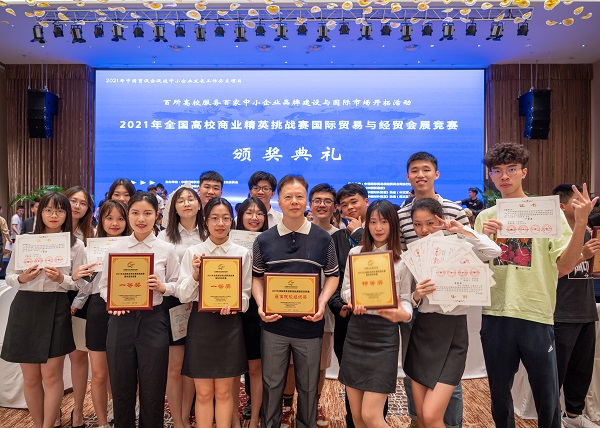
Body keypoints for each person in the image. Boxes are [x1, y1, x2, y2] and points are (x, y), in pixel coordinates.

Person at [474, 142, 597, 428]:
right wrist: (486, 242)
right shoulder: (485, 218)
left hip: (536, 312)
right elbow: (478, 270)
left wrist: (580, 224)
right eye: (497, 171)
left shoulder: (547, 212)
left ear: (524, 172)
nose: (504, 176)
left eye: (511, 169)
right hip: (496, 313)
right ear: (491, 175)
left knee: (547, 395)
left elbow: (564, 266)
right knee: (499, 394)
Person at [252, 175, 339, 428]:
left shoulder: (323, 238)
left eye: (299, 196)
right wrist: (261, 305)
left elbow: (333, 275)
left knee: (309, 387)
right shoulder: (263, 240)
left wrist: (321, 303)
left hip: (310, 325)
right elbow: (256, 278)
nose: (294, 201)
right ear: (278, 201)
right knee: (272, 385)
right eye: (288, 196)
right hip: (273, 325)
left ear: (306, 200)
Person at [404, 198, 500, 428]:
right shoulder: (413, 254)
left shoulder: (461, 247)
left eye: (430, 223)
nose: (424, 230)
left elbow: (493, 250)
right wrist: (416, 295)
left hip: (453, 332)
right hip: (422, 331)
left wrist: (462, 230)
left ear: (441, 220)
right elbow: (405, 299)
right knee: (422, 417)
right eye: (417, 224)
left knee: (431, 415)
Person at [1, 192, 87, 428]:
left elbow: (81, 283)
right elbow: (10, 276)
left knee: (51, 376)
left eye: (59, 210)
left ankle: (49, 425)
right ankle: (39, 424)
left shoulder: (75, 245)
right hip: (25, 307)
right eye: (48, 210)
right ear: (40, 212)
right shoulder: (26, 241)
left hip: (56, 307)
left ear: (67, 214)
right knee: (30, 378)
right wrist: (22, 278)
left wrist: (61, 278)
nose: (53, 215)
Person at [397, 151, 470, 428]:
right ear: (408, 176)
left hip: (448, 303)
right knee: (413, 366)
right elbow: (400, 255)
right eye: (415, 170)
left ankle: (449, 423)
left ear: (436, 174)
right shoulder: (400, 215)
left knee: (448, 373)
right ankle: (419, 420)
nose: (420, 175)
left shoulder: (454, 210)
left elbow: (468, 252)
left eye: (426, 169)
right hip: (415, 300)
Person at [98, 192, 180, 428]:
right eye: (135, 213)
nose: (141, 219)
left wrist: (162, 287)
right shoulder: (116, 248)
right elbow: (104, 286)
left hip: (153, 320)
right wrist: (113, 302)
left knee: (153, 387)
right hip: (120, 321)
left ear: (157, 215)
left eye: (147, 213)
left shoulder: (166, 249)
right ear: (128, 214)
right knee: (121, 386)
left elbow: (177, 284)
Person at [176, 197, 252, 428]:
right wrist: (195, 275)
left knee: (224, 392)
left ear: (232, 221)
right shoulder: (194, 252)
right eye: (215, 218)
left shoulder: (242, 253)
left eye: (226, 218)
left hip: (229, 325)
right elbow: (183, 295)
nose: (220, 223)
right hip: (202, 325)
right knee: (204, 393)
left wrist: (234, 303)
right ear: (205, 221)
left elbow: (246, 296)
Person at [338, 199, 414, 428]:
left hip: (384, 336)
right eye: (372, 222)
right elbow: (346, 289)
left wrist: (403, 313)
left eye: (383, 222)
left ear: (393, 224)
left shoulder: (403, 259)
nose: (378, 227)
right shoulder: (356, 253)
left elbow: (407, 299)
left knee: (371, 415)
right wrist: (353, 299)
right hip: (357, 332)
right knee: (358, 416)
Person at [157, 186, 207, 428]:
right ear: (173, 207)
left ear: (199, 204)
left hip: (202, 304)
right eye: (181, 200)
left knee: (193, 365)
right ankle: (178, 420)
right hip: (173, 303)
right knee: (175, 366)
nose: (186, 203)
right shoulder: (164, 237)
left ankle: (186, 415)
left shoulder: (209, 233)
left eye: (191, 199)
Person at [552, 184, 600, 428]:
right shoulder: (554, 235)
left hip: (586, 310)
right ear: (562, 207)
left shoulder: (590, 234)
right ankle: (552, 417)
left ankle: (574, 415)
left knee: (582, 370)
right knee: (555, 372)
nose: (584, 205)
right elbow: (554, 271)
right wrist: (582, 254)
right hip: (561, 312)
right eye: (577, 201)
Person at [82, 200, 131, 428]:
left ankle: (126, 414)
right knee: (99, 373)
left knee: (126, 370)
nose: (115, 223)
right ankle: (102, 422)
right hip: (98, 309)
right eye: (109, 218)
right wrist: (79, 275)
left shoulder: (135, 247)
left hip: (128, 307)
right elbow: (83, 285)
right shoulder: (89, 247)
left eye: (120, 218)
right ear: (100, 219)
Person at [328, 183, 370, 428]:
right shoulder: (336, 238)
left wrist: (359, 233)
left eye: (354, 202)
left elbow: (382, 263)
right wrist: (338, 306)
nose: (350, 208)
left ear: (366, 201)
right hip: (347, 318)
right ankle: (352, 422)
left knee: (374, 378)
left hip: (377, 319)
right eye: (344, 205)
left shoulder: (381, 232)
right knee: (350, 377)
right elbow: (332, 277)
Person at [233, 196, 269, 428]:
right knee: (232, 368)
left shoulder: (271, 242)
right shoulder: (226, 240)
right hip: (230, 309)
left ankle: (256, 414)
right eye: (249, 213)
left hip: (258, 310)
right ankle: (232, 416)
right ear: (240, 216)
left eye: (259, 213)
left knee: (256, 367)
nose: (254, 218)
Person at [64, 185, 96, 428]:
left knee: (78, 357)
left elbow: (91, 277)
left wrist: (76, 304)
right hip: (52, 299)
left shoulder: (91, 236)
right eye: (73, 200)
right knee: (52, 361)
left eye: (82, 203)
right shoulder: (48, 233)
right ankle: (52, 409)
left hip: (81, 300)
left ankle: (78, 411)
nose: (77, 206)